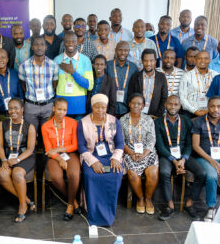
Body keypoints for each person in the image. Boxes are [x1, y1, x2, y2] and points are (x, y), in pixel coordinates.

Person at [155, 96, 205, 221]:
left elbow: (189, 144)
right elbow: (160, 146)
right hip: (167, 155)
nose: (173, 106)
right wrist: (174, 160)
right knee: (164, 172)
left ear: (180, 106)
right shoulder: (158, 122)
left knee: (201, 173)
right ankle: (170, 205)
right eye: (170, 104)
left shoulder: (187, 121)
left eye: (176, 104)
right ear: (166, 105)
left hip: (184, 155)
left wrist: (183, 160)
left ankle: (190, 203)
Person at [77, 94, 124, 226]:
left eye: (103, 107)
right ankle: (94, 213)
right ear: (92, 107)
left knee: (115, 174)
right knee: (91, 175)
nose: (100, 110)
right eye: (97, 107)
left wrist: (115, 158)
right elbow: (81, 146)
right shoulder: (83, 122)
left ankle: (108, 213)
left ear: (106, 107)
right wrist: (93, 162)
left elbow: (120, 143)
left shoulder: (114, 121)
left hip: (110, 156)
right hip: (92, 156)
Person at [0, 98, 36, 223]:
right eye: (10, 108)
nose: (13, 111)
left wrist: (18, 159)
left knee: (17, 173)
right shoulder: (2, 125)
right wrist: (3, 159)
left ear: (22, 110)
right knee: (2, 174)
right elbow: (0, 146)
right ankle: (27, 201)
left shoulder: (29, 127)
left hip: (25, 156)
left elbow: (30, 149)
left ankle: (22, 206)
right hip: (8, 156)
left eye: (16, 108)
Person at [41, 98, 81, 220]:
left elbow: (75, 145)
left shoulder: (73, 123)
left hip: (70, 153)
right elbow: (49, 150)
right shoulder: (45, 126)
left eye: (64, 110)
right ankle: (73, 201)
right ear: (53, 108)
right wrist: (59, 159)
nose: (61, 112)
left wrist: (58, 149)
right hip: (54, 157)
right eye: (59, 109)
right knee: (56, 178)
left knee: (74, 174)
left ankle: (69, 206)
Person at [120, 93, 158, 214]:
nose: (136, 105)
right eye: (133, 103)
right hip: (129, 151)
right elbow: (121, 141)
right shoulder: (123, 120)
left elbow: (152, 140)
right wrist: (131, 153)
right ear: (129, 104)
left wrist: (144, 154)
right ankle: (140, 199)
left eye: (139, 104)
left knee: (152, 172)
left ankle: (148, 199)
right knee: (132, 174)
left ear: (143, 106)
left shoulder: (148, 120)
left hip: (147, 151)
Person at [19, 36, 58, 132]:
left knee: (47, 134)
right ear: (32, 47)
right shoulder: (23, 65)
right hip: (31, 105)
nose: (39, 47)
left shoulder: (53, 65)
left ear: (46, 47)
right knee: (30, 134)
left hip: (48, 105)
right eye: (36, 44)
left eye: (42, 44)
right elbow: (23, 85)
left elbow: (55, 84)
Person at [54, 32, 94, 120]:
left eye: (73, 41)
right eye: (67, 41)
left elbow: (89, 86)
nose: (70, 44)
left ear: (77, 42)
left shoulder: (85, 60)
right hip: (61, 106)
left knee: (77, 133)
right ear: (63, 42)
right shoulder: (57, 60)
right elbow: (54, 84)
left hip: (79, 106)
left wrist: (73, 72)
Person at [0, 49, 24, 130]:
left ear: (7, 59)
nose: (0, 60)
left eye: (3, 57)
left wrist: (21, 116)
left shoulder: (14, 74)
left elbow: (21, 97)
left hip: (15, 115)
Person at [127, 49, 168, 118]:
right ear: (142, 61)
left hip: (155, 116)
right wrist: (136, 112)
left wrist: (157, 115)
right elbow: (130, 96)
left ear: (155, 61)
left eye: (151, 61)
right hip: (137, 115)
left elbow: (164, 98)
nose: (148, 64)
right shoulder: (135, 77)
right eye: (145, 61)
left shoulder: (161, 77)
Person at [179, 51, 219, 118]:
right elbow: (182, 98)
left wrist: (209, 110)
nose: (203, 61)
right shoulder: (186, 76)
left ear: (210, 60)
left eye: (206, 58)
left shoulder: (216, 76)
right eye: (199, 58)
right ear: (195, 60)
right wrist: (195, 111)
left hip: (210, 112)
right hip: (190, 112)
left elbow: (219, 96)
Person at [107, 41, 139, 116]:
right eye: (120, 50)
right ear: (115, 50)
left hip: (127, 109)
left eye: (125, 50)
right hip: (110, 108)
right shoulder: (108, 65)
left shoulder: (133, 67)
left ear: (129, 51)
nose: (122, 53)